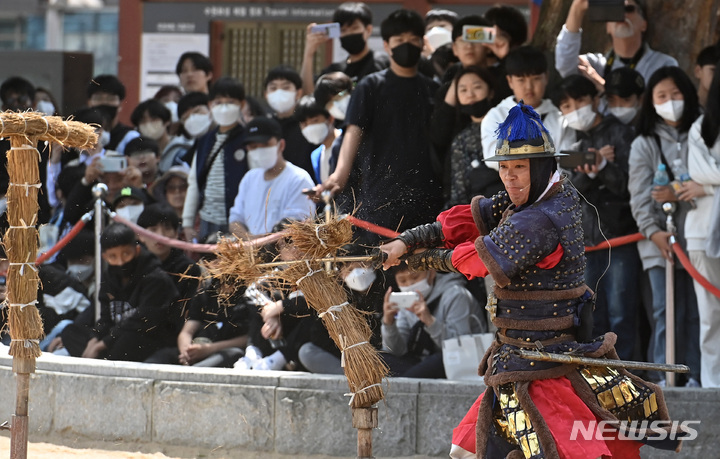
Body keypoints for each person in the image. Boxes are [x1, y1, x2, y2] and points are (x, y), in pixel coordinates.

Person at [380, 102, 687, 458]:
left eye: (520, 168)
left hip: (540, 368)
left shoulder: (541, 218)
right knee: (466, 451)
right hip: (519, 362)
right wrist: (405, 242)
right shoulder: (545, 195)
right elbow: (464, 221)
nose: (510, 178)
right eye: (505, 168)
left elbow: (478, 260)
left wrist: (417, 258)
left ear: (540, 167)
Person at [321, 9, 443, 245]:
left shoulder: (433, 90)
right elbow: (353, 131)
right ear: (387, 46)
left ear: (421, 44)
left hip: (427, 196)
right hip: (381, 196)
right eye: (399, 41)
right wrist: (339, 175)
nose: (405, 46)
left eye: (412, 41)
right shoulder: (371, 86)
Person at [552, 74, 641, 360]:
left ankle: (629, 374)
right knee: (592, 313)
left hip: (621, 235)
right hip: (586, 241)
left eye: (580, 100)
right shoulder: (573, 141)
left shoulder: (622, 133)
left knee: (622, 311)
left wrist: (602, 167)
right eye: (567, 105)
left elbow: (632, 185)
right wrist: (592, 169)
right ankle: (600, 376)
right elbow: (569, 191)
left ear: (595, 100)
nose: (575, 109)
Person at [628, 66, 702, 386]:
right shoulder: (644, 144)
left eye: (676, 94)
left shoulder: (703, 133)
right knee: (665, 310)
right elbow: (639, 195)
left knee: (697, 313)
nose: (670, 101)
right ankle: (661, 379)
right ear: (651, 102)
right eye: (662, 96)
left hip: (698, 239)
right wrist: (653, 232)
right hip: (659, 241)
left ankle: (697, 376)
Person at [60, 223, 178, 361]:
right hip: (116, 338)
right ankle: (102, 361)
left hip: (149, 339)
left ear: (137, 250)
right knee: (70, 332)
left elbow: (142, 321)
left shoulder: (156, 278)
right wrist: (95, 338)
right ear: (105, 257)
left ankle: (100, 361)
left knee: (129, 339)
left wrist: (101, 345)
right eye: (113, 257)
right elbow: (105, 317)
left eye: (126, 254)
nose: (121, 262)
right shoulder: (109, 277)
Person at [381, 264, 482, 378]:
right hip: (419, 362)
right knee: (381, 360)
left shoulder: (456, 295)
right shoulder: (406, 302)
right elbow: (397, 351)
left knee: (437, 360)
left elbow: (460, 348)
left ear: (432, 272)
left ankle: (404, 384)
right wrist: (389, 323)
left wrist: (429, 321)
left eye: (415, 278)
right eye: (402, 281)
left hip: (452, 361)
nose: (410, 285)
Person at [482, 46, 571, 169]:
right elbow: (492, 158)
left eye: (536, 79)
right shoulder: (497, 116)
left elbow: (566, 161)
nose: (529, 87)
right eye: (521, 80)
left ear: (546, 77)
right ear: (510, 81)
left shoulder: (560, 117)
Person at [686, 66, 720, 388]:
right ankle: (713, 387)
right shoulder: (701, 127)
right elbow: (696, 170)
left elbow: (706, 177)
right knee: (710, 318)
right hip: (701, 233)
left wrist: (709, 187)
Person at [183, 77, 248, 242]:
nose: (224, 107)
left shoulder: (248, 140)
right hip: (208, 219)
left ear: (242, 104)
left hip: (239, 221)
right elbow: (194, 183)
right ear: (210, 105)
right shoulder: (205, 140)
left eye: (230, 102)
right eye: (218, 102)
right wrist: (187, 222)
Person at [555, 0, 678, 88]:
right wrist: (577, 7)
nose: (622, 15)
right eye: (615, 11)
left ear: (644, 24)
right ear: (607, 27)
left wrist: (601, 85)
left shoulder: (664, 65)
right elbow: (564, 64)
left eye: (629, 9)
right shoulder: (596, 64)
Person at [228, 117, 315, 238]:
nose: (259, 150)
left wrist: (257, 243)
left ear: (281, 145)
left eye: (265, 144)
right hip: (250, 253)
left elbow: (295, 227)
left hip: (285, 255)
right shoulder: (249, 178)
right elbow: (235, 219)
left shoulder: (299, 179)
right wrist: (249, 240)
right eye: (253, 147)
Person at [137, 204, 201, 335]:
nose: (160, 236)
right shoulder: (133, 265)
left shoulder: (188, 269)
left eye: (167, 228)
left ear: (176, 234)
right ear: (141, 235)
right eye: (153, 229)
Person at [300, 2, 389, 95]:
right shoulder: (334, 72)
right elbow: (309, 98)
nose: (349, 33)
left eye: (354, 28)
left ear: (368, 30)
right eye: (343, 30)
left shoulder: (383, 63)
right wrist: (308, 54)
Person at [446, 66, 501, 208]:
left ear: (491, 92)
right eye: (463, 90)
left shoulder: (511, 125)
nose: (470, 94)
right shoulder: (461, 140)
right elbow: (459, 193)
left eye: (477, 87)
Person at [264, 65, 317, 181]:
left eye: (285, 87)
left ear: (298, 93)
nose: (279, 92)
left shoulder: (308, 125)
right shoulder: (264, 127)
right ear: (266, 95)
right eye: (273, 88)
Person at [87, 74, 140, 154]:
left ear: (120, 105)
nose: (104, 103)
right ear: (89, 103)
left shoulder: (130, 137)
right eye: (98, 98)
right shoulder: (80, 136)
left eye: (110, 99)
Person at [295, 95, 342, 184]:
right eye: (305, 124)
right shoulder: (316, 156)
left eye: (315, 121)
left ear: (330, 118)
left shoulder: (348, 141)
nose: (310, 127)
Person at [130, 99, 185, 174]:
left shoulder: (180, 150)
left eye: (154, 119)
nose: (148, 125)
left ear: (166, 121)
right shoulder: (137, 152)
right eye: (143, 121)